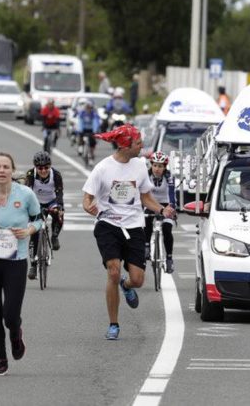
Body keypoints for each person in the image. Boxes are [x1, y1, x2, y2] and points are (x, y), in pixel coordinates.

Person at [82, 125, 176, 340]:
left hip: (134, 225)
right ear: (125, 145)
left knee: (138, 279)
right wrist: (88, 206)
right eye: (138, 143)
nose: (142, 146)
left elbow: (146, 197)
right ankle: (113, 324)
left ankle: (126, 286)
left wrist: (162, 210)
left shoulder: (140, 166)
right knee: (113, 272)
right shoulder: (103, 168)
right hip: (108, 224)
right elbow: (87, 198)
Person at [0, 153, 41, 376]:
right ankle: (1, 360)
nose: (2, 170)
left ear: (12, 170)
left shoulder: (25, 194)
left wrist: (28, 231)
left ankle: (15, 333)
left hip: (16, 261)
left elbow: (39, 220)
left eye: (6, 167)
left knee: (10, 315)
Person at [24, 151, 64, 280]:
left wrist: (60, 207)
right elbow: (27, 192)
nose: (43, 170)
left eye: (46, 167)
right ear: (35, 167)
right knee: (34, 234)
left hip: (52, 201)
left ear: (50, 166)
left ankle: (54, 236)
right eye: (40, 168)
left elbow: (59, 193)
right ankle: (33, 265)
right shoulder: (31, 174)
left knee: (59, 213)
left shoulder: (56, 175)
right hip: (36, 203)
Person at [143, 151, 177, 274]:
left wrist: (171, 209)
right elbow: (141, 194)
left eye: (160, 166)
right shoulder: (146, 176)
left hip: (166, 204)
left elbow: (172, 195)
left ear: (164, 167)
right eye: (155, 165)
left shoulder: (169, 177)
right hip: (151, 203)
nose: (157, 169)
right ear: (151, 165)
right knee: (146, 220)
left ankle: (169, 258)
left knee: (167, 229)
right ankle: (146, 246)